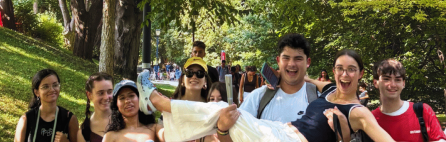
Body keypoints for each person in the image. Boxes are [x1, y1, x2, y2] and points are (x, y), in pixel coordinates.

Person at [136, 49, 396, 142]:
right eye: (340, 68)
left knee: (228, 112)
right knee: (224, 120)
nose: (345, 75)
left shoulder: (358, 111)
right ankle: (167, 123)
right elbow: (304, 76)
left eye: (351, 70)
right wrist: (277, 78)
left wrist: (343, 131)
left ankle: (160, 102)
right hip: (278, 131)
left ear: (361, 74)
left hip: (292, 140)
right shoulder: (327, 89)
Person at [240, 33, 318, 123]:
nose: (291, 64)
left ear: (308, 62)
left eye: (298, 59)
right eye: (286, 58)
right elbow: (237, 132)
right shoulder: (259, 97)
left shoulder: (319, 98)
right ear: (278, 61)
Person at [371, 59, 446, 142]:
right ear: (375, 83)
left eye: (397, 80)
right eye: (386, 79)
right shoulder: (370, 119)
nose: (392, 84)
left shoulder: (422, 111)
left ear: (403, 83)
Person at [15, 68, 80, 142]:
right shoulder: (26, 119)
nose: (52, 90)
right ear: (37, 92)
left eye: (55, 85)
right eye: (45, 87)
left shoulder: (69, 119)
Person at [82, 72, 114, 142]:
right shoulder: (85, 131)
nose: (106, 97)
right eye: (101, 93)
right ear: (89, 95)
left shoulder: (125, 119)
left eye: (109, 92)